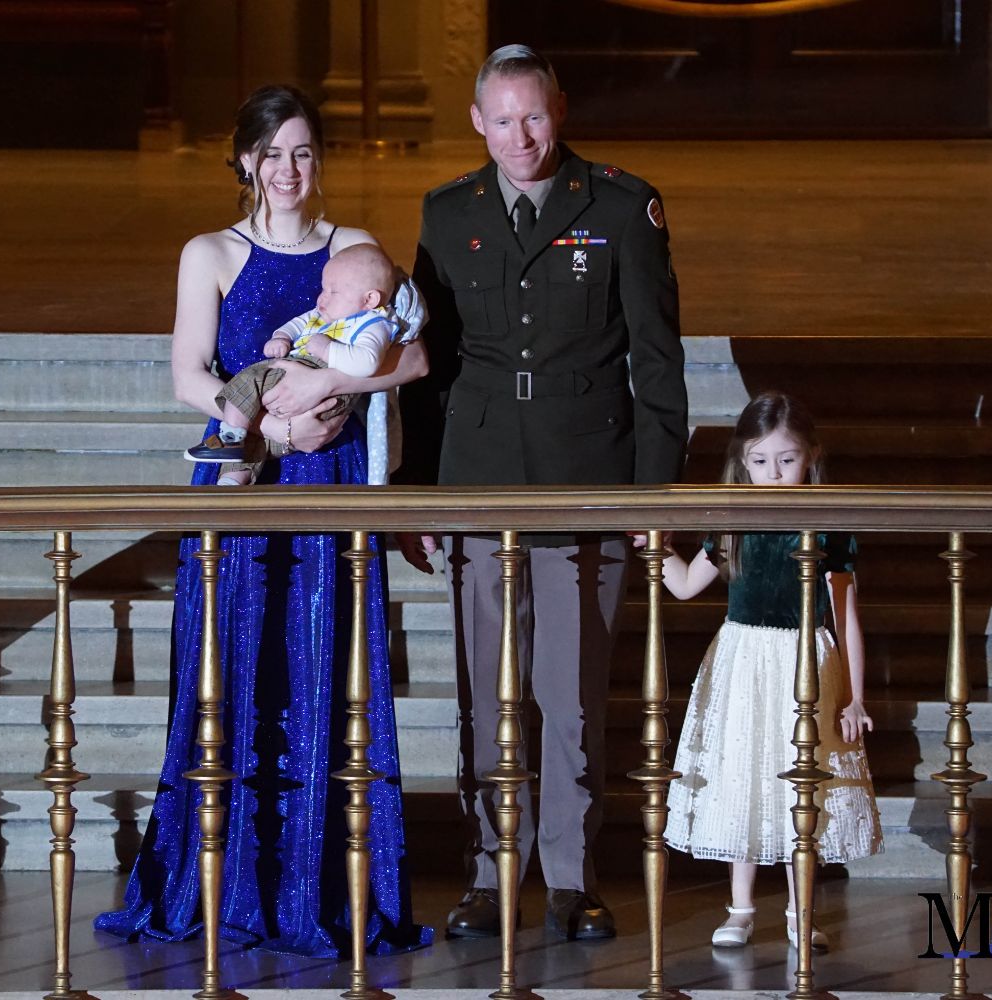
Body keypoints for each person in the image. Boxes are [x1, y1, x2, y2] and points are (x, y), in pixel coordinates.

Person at [94, 84, 434, 958]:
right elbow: (188, 374)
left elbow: (412, 358)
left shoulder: (354, 248)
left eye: (303, 152)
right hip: (244, 477)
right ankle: (223, 881)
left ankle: (323, 886)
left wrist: (329, 382)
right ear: (245, 160)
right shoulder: (209, 252)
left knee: (326, 668)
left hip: (333, 482)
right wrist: (273, 429)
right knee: (234, 665)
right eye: (272, 153)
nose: (288, 169)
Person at [396, 44, 688, 942]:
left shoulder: (622, 206)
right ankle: (490, 874)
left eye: (534, 115)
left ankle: (569, 877)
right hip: (478, 482)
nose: (520, 136)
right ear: (477, 122)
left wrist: (653, 500)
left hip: (585, 485)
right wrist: (416, 493)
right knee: (485, 698)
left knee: (571, 699)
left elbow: (657, 362)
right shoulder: (448, 212)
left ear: (559, 109)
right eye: (502, 119)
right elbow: (428, 368)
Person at [657, 391, 881, 951]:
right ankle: (740, 908)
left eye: (786, 459)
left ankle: (801, 912)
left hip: (804, 663)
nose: (774, 473)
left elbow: (846, 616)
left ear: (810, 457)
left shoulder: (826, 525)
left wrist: (854, 697)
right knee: (745, 777)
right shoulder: (734, 520)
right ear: (743, 461)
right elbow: (684, 585)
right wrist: (655, 548)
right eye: (760, 461)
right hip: (743, 663)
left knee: (800, 782)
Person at [184, 243, 412, 486]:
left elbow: (374, 362)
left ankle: (231, 439)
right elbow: (298, 323)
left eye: (332, 292)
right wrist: (282, 337)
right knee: (254, 431)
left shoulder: (372, 324)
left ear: (370, 299)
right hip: (268, 410)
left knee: (254, 378)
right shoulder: (324, 314)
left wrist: (326, 361)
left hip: (323, 401)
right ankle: (234, 477)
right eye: (323, 289)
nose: (322, 297)